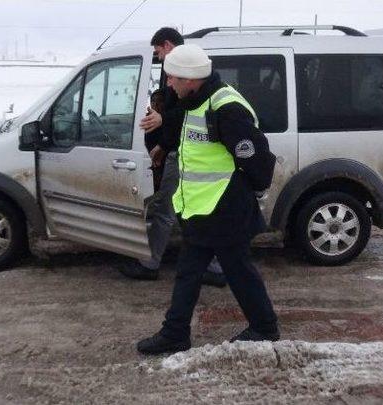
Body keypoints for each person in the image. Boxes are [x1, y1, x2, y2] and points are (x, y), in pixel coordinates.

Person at [136, 44, 280, 355]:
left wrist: (245, 193)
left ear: (190, 78)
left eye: (173, 78)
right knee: (190, 272)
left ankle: (265, 328)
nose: (169, 84)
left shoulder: (226, 107)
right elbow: (186, 135)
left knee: (238, 271)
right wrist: (162, 143)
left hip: (225, 208)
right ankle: (175, 332)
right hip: (199, 209)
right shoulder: (193, 101)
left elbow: (257, 159)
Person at [120, 27, 226, 287]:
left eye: (157, 52)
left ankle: (152, 263)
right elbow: (180, 118)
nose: (158, 59)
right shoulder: (181, 73)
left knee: (167, 211)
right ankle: (212, 267)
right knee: (187, 214)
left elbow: (190, 114)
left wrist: (163, 120)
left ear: (167, 45)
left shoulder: (191, 74)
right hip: (180, 152)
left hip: (188, 156)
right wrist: (162, 146)